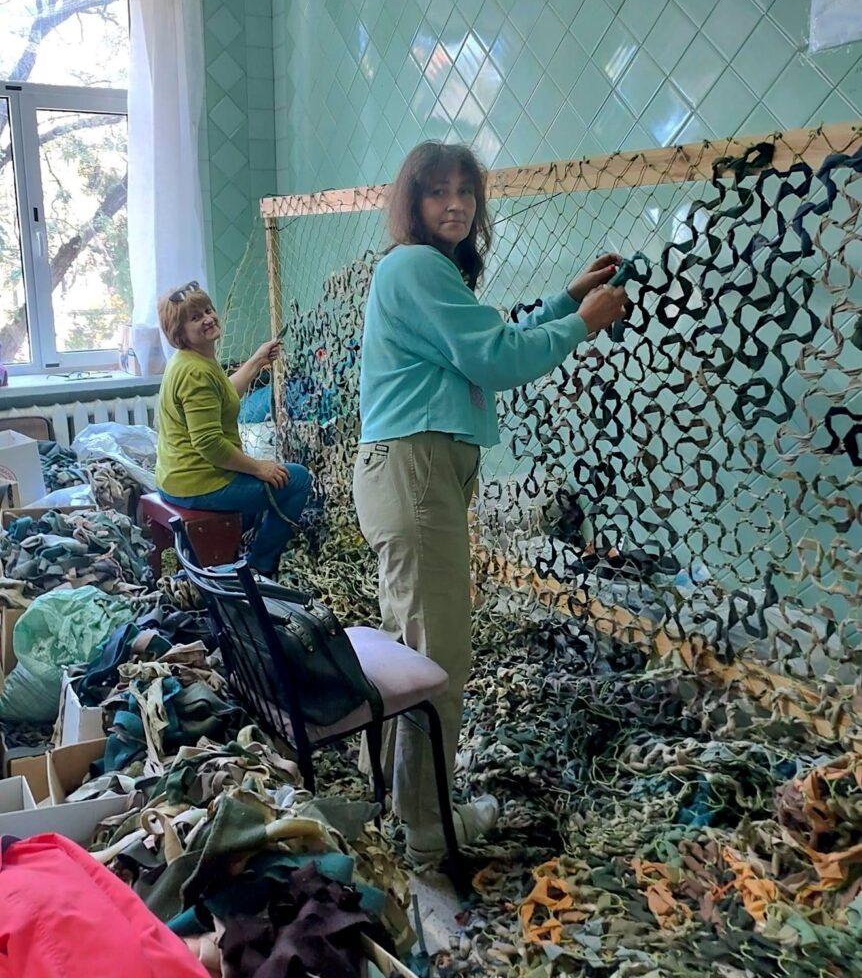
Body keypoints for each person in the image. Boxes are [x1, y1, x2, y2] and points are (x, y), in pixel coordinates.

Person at [353, 141, 629, 864]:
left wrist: (565, 300)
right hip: (415, 474)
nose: (455, 205)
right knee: (434, 658)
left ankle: (402, 804)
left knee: (410, 650)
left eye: (465, 193)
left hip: (410, 473)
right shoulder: (416, 265)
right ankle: (428, 829)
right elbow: (499, 359)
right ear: (411, 203)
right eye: (437, 192)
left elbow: (490, 338)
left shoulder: (423, 273)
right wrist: (584, 323)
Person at [155, 281, 311, 577]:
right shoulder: (195, 373)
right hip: (197, 482)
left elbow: (224, 394)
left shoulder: (191, 360)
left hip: (177, 477)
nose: (208, 318)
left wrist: (256, 360)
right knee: (298, 480)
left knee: (263, 488)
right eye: (195, 317)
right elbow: (210, 444)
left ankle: (231, 548)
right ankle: (261, 564)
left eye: (208, 310)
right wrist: (258, 468)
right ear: (179, 332)